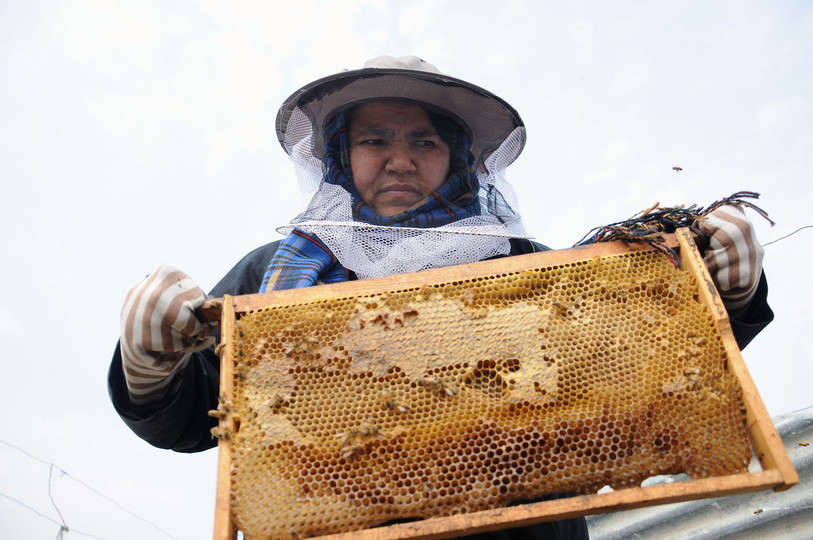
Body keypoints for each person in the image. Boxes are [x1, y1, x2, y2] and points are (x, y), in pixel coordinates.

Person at [108, 56, 773, 539]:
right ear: (339, 155)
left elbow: (644, 369)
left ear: (455, 158)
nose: (399, 160)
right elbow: (191, 419)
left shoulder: (527, 267)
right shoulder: (269, 275)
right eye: (374, 140)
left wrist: (726, 295)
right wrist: (149, 365)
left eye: (424, 142)